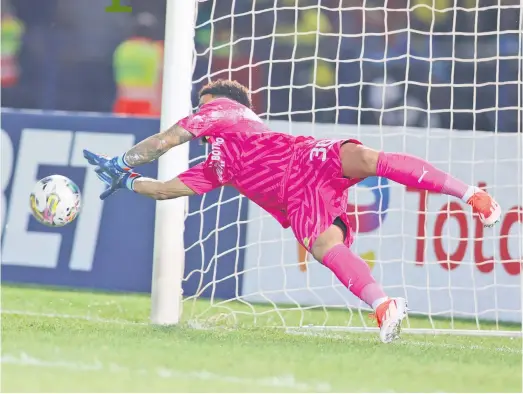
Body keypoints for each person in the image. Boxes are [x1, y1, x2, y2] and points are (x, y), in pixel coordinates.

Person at [84, 79, 501, 344]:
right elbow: (164, 190)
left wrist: (121, 162)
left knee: (369, 160)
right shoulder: (216, 165)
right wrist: (128, 183)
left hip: (305, 159)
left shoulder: (225, 109)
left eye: (201, 103)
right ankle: (382, 305)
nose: (198, 110)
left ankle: (470, 195)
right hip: (298, 201)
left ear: (220, 104)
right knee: (325, 247)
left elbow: (164, 141)